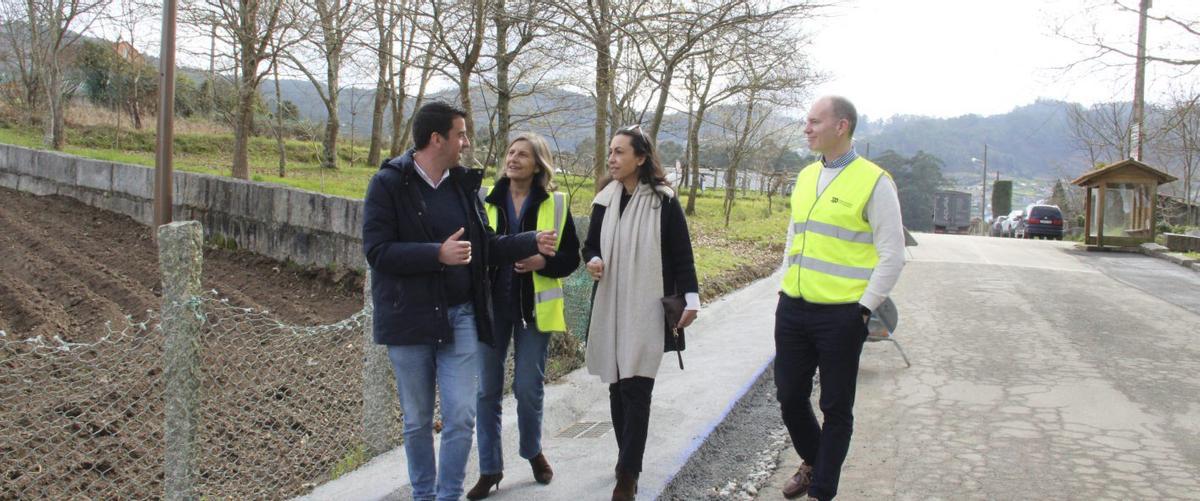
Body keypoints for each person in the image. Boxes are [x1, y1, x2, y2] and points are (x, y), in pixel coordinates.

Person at [361, 101, 559, 501]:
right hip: (409, 320)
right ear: (438, 139)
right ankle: (424, 495)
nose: (467, 143)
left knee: (462, 417)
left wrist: (528, 241)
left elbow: (484, 245)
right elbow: (377, 252)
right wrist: (436, 253)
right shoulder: (388, 184)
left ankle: (448, 495)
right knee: (417, 422)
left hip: (461, 316)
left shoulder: (462, 185)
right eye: (461, 134)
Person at [775, 96, 905, 501]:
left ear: (841, 126)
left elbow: (893, 253)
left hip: (843, 315)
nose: (806, 128)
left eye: (815, 122)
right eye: (806, 122)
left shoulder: (874, 181)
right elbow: (795, 237)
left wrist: (864, 307)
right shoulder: (805, 176)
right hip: (794, 309)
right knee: (790, 396)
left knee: (835, 406)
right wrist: (783, 283)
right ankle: (816, 462)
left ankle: (822, 491)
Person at [583, 125, 700, 501]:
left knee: (637, 387)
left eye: (620, 152)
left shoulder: (663, 201)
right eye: (611, 152)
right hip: (612, 305)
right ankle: (625, 459)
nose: (613, 159)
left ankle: (628, 474)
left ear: (641, 157)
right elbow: (589, 247)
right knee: (618, 386)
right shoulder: (604, 199)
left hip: (647, 308)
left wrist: (693, 300)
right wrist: (594, 260)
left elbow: (682, 254)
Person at [467, 133, 581, 499]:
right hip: (490, 310)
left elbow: (570, 259)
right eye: (510, 152)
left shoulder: (557, 204)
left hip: (534, 313)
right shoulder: (483, 199)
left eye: (522, 155)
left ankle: (532, 451)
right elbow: (476, 250)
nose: (513, 159)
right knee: (486, 392)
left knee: (528, 390)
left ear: (538, 165)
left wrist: (542, 262)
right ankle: (490, 469)